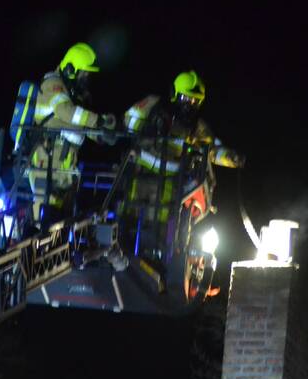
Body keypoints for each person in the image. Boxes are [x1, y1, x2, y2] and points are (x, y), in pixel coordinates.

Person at [120, 70, 244, 257]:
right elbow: (129, 121)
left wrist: (230, 157)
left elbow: (211, 149)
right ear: (174, 94)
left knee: (166, 226)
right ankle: (123, 248)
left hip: (169, 183)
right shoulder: (152, 106)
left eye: (195, 101)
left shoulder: (196, 126)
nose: (189, 105)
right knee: (129, 218)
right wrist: (147, 129)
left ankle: (162, 255)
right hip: (138, 174)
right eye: (186, 98)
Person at [27, 42, 117, 223]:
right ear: (70, 69)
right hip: (47, 164)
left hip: (65, 168)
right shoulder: (54, 85)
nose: (86, 78)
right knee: (44, 218)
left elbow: (78, 125)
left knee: (62, 219)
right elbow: (66, 112)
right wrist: (97, 121)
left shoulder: (73, 94)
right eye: (84, 73)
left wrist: (102, 134)